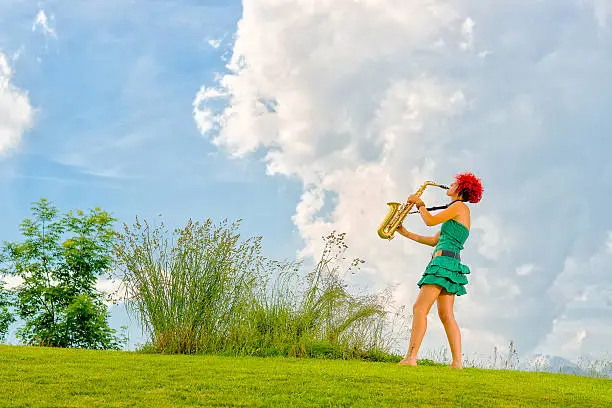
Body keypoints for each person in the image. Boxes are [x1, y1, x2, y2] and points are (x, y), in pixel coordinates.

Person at [395, 172, 483, 369]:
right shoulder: (458, 211)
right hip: (450, 262)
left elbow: (429, 221)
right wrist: (406, 233)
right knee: (446, 315)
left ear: (460, 189)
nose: (449, 185)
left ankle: (411, 358)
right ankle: (457, 363)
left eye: (454, 183)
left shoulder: (458, 206)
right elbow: (434, 240)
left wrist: (419, 203)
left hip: (442, 262)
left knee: (419, 309)